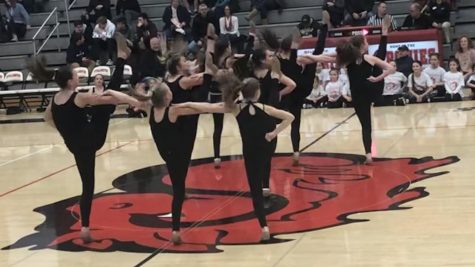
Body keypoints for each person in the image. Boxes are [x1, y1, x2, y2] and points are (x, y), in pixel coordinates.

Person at [28, 34, 143, 243]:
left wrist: (66, 131)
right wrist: (137, 102)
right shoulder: (78, 96)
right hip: (93, 138)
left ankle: (85, 227)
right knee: (107, 103)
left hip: (75, 146)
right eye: (76, 74)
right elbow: (109, 96)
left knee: (87, 186)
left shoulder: (54, 99)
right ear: (71, 80)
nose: (78, 76)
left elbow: (47, 119)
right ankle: (121, 59)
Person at [175, 72, 294, 242]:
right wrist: (273, 133)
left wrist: (184, 104)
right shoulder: (266, 108)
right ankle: (266, 183)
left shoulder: (235, 109)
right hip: (267, 147)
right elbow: (290, 117)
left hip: (250, 151)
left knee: (255, 191)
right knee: (264, 166)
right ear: (258, 92)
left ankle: (264, 226)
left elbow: (205, 108)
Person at [301, 34, 395, 164]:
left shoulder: (347, 61)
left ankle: (368, 154)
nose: (367, 43)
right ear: (362, 45)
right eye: (366, 41)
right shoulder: (368, 57)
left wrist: (309, 58)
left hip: (356, 94)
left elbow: (326, 57)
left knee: (365, 125)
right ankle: (368, 154)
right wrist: (377, 78)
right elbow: (390, 68)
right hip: (371, 90)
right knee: (367, 123)